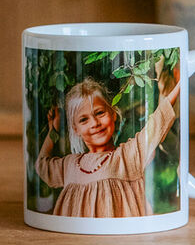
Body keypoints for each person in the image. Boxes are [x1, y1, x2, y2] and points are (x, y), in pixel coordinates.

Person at [35, 73, 180, 218]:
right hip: (75, 240)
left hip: (122, 238)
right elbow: (42, 164)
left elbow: (158, 121)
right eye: (84, 120)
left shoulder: (127, 156)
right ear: (75, 129)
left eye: (99, 113)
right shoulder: (69, 165)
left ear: (113, 114)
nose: (95, 123)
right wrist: (53, 131)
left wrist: (180, 85)